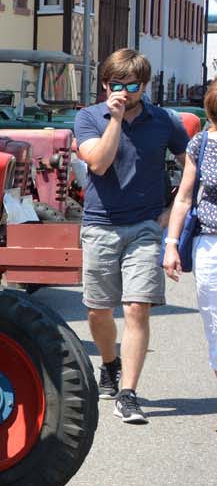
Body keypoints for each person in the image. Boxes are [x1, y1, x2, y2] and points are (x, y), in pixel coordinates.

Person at [74, 49, 188, 424]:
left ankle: (128, 392)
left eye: (133, 86)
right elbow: (98, 163)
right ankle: (110, 363)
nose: (124, 92)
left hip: (145, 227)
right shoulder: (89, 117)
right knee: (98, 310)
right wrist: (115, 120)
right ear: (105, 84)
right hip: (100, 225)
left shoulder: (165, 121)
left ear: (145, 85)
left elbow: (192, 166)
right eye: (116, 84)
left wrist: (172, 212)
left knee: (137, 307)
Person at [162, 80, 217, 387]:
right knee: (216, 328)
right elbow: (183, 198)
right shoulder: (202, 144)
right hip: (210, 244)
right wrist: (171, 245)